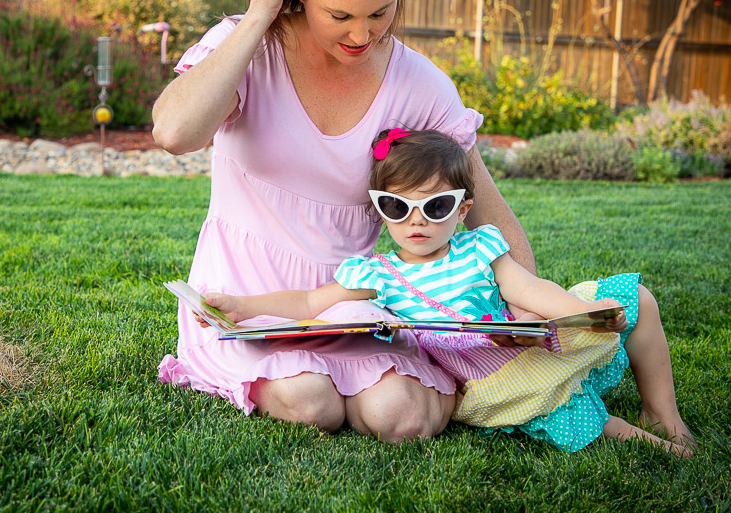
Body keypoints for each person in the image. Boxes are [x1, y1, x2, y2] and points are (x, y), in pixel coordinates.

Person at [152, 0, 537, 443]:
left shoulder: (420, 84)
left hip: (355, 301)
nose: (362, 35)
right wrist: (259, 16)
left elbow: (487, 209)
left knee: (402, 419)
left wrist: (529, 309)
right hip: (245, 298)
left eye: (379, 13)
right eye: (340, 15)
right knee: (312, 402)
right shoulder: (246, 48)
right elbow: (174, 133)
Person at [201, 128, 695, 457]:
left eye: (435, 206)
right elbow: (311, 303)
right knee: (579, 417)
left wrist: (577, 311)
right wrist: (243, 307)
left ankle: (662, 411)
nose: (416, 220)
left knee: (638, 301)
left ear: (462, 211)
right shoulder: (377, 274)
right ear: (380, 211)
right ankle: (654, 443)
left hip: (529, 341)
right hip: (488, 383)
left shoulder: (479, 247)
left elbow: (526, 286)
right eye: (397, 206)